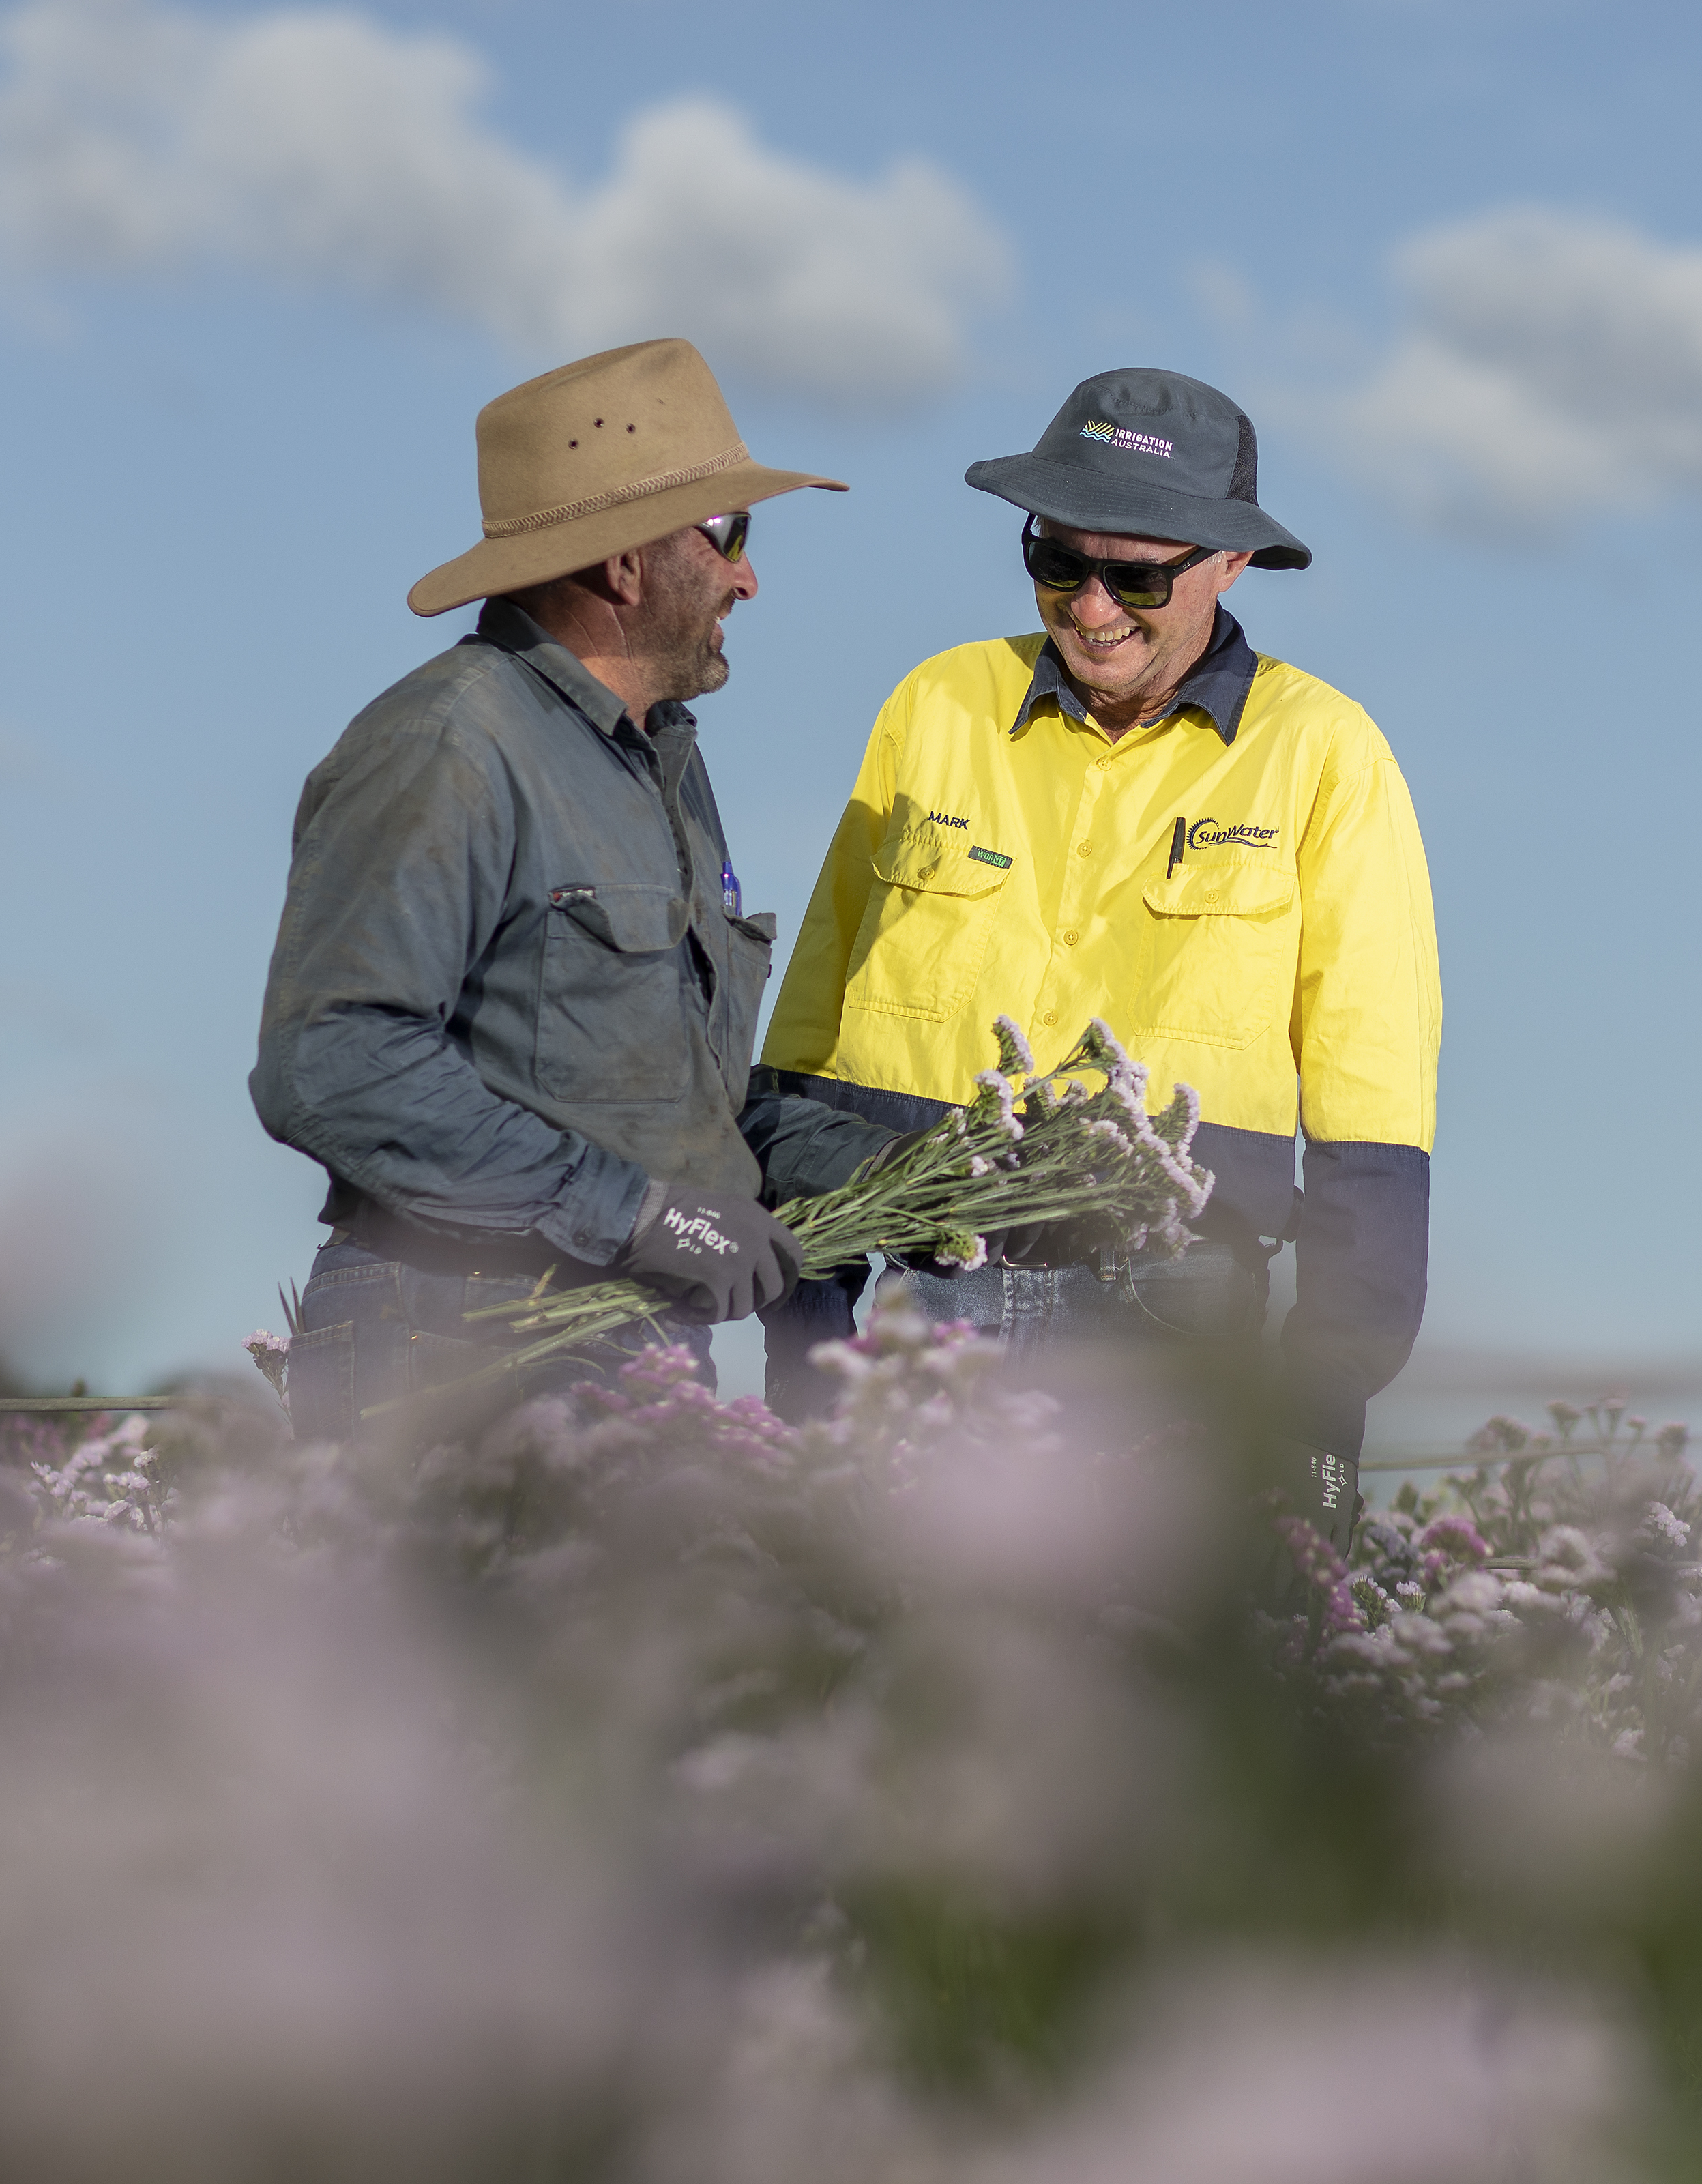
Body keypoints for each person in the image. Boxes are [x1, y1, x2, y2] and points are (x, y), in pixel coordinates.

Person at [757, 368, 1441, 1528]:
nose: (1089, 606)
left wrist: (1324, 1398)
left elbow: (1371, 1093)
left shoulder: (1328, 753)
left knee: (1119, 1690)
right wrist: (805, 1317)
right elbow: (812, 1028)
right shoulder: (933, 705)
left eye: (1136, 575)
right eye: (1058, 561)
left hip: (1172, 1317)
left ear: (1233, 564)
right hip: (924, 1295)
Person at [252, 338, 892, 1439]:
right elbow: (332, 1063)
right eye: (729, 533)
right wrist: (641, 1215)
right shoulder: (450, 741)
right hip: (456, 1347)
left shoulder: (665, 766)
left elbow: (674, 1105)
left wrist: (914, 1171)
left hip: (619, 1342)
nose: (748, 574)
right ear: (625, 564)